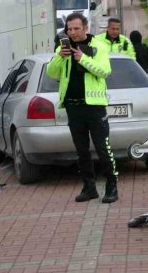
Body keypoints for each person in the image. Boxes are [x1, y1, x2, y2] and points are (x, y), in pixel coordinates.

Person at [46, 12, 119, 204]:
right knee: (81, 150)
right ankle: (89, 188)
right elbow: (52, 73)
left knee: (103, 148)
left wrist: (82, 59)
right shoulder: (63, 48)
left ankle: (112, 186)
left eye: (76, 29)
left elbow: (105, 71)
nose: (72, 33)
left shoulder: (98, 46)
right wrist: (60, 57)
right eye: (69, 29)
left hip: (94, 107)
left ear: (86, 28)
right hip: (73, 106)